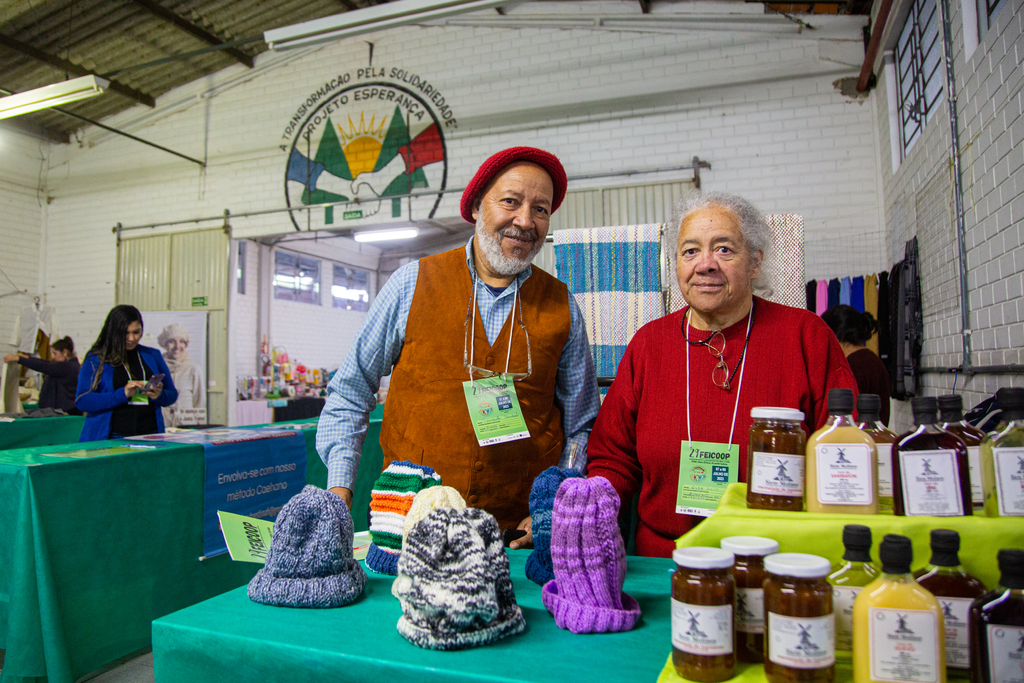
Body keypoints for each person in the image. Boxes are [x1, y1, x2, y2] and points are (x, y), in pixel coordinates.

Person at [317, 147, 600, 548]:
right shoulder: (410, 285)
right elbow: (350, 390)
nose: (525, 221)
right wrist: (339, 490)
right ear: (476, 207)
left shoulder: (561, 305)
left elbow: (581, 426)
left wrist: (557, 503)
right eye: (510, 202)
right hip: (408, 530)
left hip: (515, 537)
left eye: (541, 209)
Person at [587, 191, 859, 558]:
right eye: (690, 251)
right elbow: (612, 457)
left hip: (775, 560)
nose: (706, 264)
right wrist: (587, 518)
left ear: (755, 262)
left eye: (724, 249)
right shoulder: (649, 344)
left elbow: (845, 455)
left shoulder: (805, 337)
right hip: (664, 562)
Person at [76, 305, 178, 441]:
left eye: (136, 332)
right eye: (125, 333)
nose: (131, 338)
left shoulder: (153, 355)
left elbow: (172, 394)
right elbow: (82, 400)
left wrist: (160, 395)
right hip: (111, 437)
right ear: (113, 332)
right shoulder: (96, 358)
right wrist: (121, 394)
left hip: (151, 435)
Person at [822, 304, 891, 425]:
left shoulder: (851, 367)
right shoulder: (874, 360)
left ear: (835, 336)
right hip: (874, 440)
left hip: (856, 441)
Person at [4, 336, 81, 414]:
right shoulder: (71, 365)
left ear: (65, 352)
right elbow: (46, 363)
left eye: (55, 353)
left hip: (65, 411)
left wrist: (19, 359)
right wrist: (26, 357)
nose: (53, 357)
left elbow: (44, 366)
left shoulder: (68, 367)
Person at [157, 323, 206, 427]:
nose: (177, 346)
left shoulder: (193, 369)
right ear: (165, 344)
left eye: (181, 341)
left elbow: (200, 402)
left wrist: (200, 428)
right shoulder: (158, 369)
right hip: (164, 425)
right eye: (171, 341)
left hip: (187, 425)